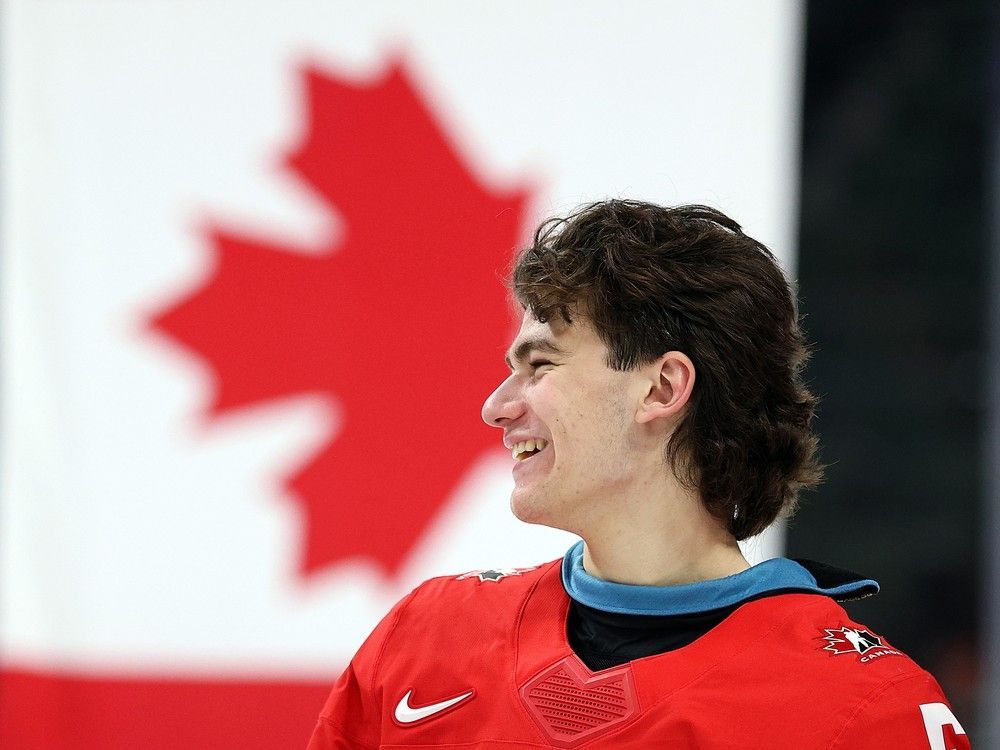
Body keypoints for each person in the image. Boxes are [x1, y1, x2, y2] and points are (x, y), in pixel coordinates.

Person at [308, 200, 969, 748]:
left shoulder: (871, 710)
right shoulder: (424, 640)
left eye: (539, 365)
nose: (497, 407)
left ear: (662, 388)